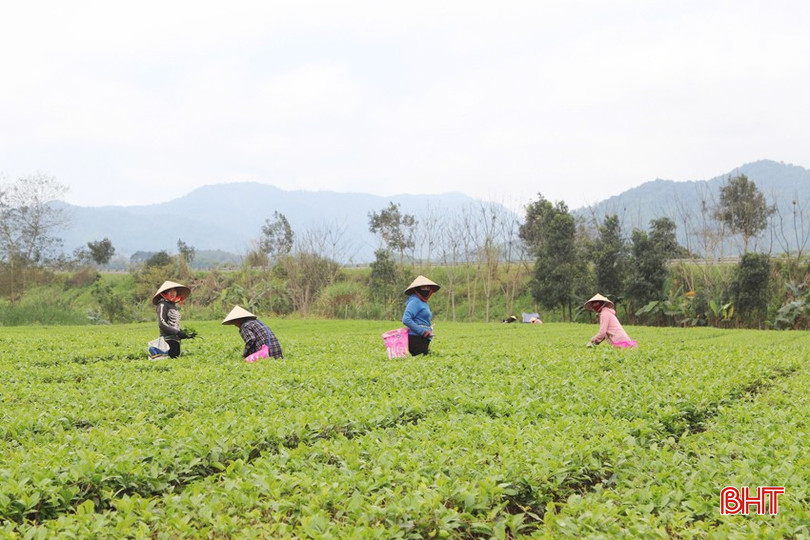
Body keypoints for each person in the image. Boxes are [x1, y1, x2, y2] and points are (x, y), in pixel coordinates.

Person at [402, 275, 440, 356]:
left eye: (428, 288)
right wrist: (423, 332)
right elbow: (406, 319)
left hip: (423, 339)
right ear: (416, 290)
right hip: (416, 338)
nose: (426, 290)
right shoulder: (414, 301)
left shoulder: (423, 302)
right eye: (423, 288)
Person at [153, 280, 192, 358]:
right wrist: (177, 332)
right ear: (165, 292)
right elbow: (162, 323)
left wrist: (184, 333)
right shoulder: (162, 305)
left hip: (176, 341)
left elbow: (176, 324)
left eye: (174, 290)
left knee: (176, 360)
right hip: (167, 340)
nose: (172, 293)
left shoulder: (174, 306)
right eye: (169, 291)